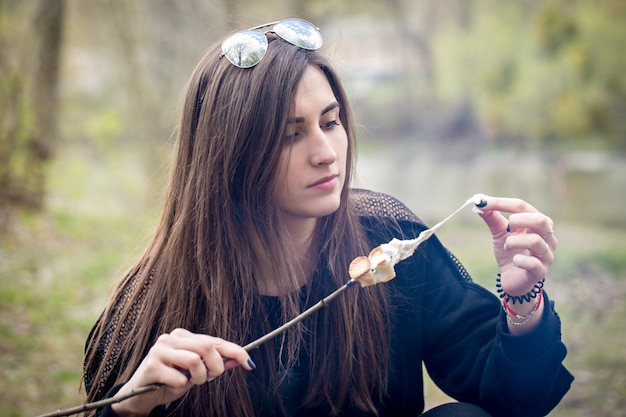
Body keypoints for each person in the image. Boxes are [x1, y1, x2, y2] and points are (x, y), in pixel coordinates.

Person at [83, 18, 573, 417]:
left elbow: (510, 399)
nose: (326, 153)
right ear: (227, 155)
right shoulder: (152, 300)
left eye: (331, 122)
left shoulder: (389, 239)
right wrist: (130, 408)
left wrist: (523, 299)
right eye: (289, 134)